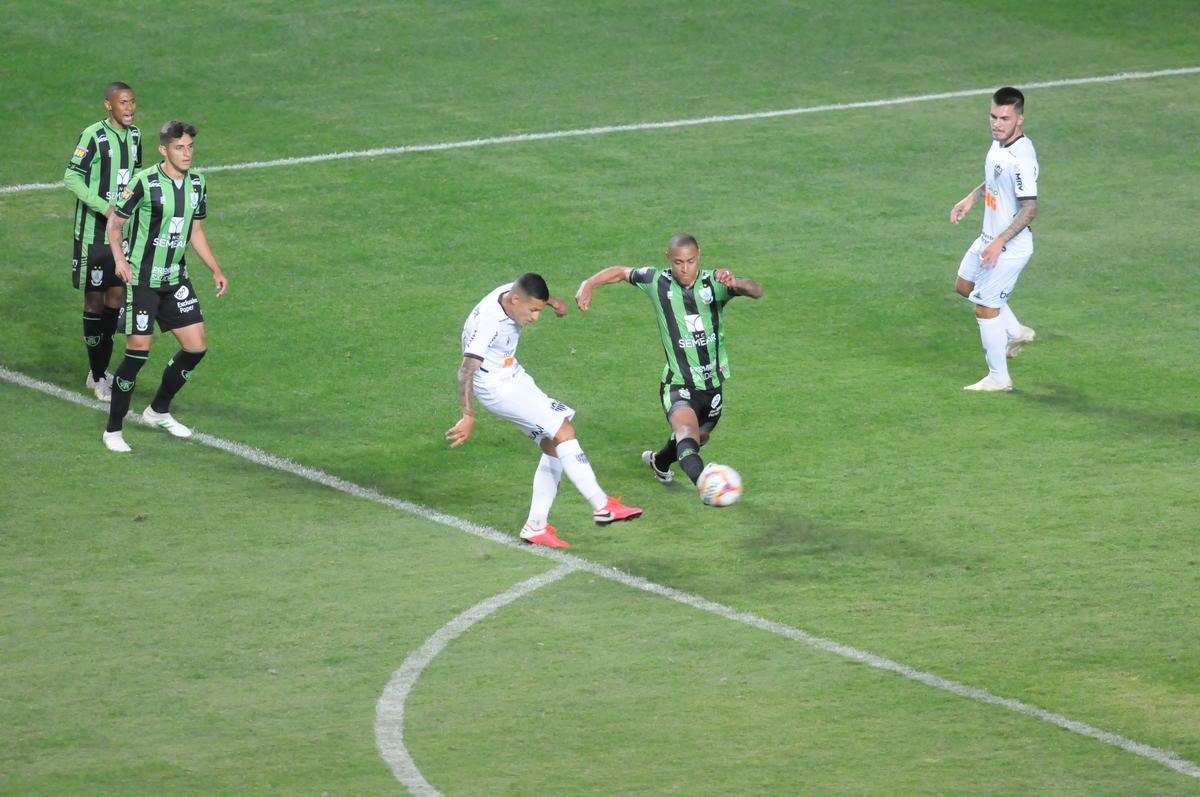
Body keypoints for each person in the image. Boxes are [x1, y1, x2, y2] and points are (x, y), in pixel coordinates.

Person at [446, 273, 643, 548]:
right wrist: (468, 415)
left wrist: (554, 302)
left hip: (511, 374)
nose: (535, 318)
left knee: (553, 445)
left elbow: (532, 288)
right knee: (564, 431)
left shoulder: (511, 292)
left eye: (538, 310)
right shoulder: (489, 323)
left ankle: (535, 526)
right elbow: (465, 370)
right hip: (497, 388)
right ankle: (602, 506)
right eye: (533, 310)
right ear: (516, 301)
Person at [575, 233, 763, 494]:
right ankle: (706, 484)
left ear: (699, 257)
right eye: (678, 262)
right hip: (678, 383)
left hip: (712, 386)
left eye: (691, 261)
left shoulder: (714, 283)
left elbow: (756, 291)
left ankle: (659, 461)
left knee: (698, 439)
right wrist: (589, 283)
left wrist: (737, 282)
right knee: (687, 432)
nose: (685, 269)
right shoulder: (657, 281)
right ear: (668, 259)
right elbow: (620, 272)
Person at [101, 121, 229, 452]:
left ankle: (158, 410)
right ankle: (113, 430)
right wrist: (119, 260)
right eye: (179, 148)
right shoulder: (143, 182)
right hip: (142, 280)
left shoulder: (197, 184)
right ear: (164, 150)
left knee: (196, 348)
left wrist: (215, 269)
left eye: (189, 147)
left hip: (175, 279)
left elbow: (195, 232)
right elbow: (115, 225)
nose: (186, 154)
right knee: (138, 352)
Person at [950, 86, 1039, 392]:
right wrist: (970, 199)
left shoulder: (1022, 159)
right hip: (989, 238)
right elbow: (994, 181)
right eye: (993, 116)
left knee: (985, 308)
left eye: (1005, 118)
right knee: (964, 286)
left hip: (1010, 247)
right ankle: (1015, 332)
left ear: (1020, 119)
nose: (997, 123)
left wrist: (1000, 242)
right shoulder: (999, 144)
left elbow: (1030, 208)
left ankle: (999, 378)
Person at [64, 81, 142, 401]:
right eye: (123, 102)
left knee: (115, 302)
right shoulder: (93, 136)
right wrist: (105, 207)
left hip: (120, 236)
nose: (130, 108)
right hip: (94, 235)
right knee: (94, 302)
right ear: (108, 105)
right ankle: (98, 376)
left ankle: (98, 370)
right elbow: (71, 177)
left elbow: (135, 180)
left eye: (133, 102)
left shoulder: (136, 137)